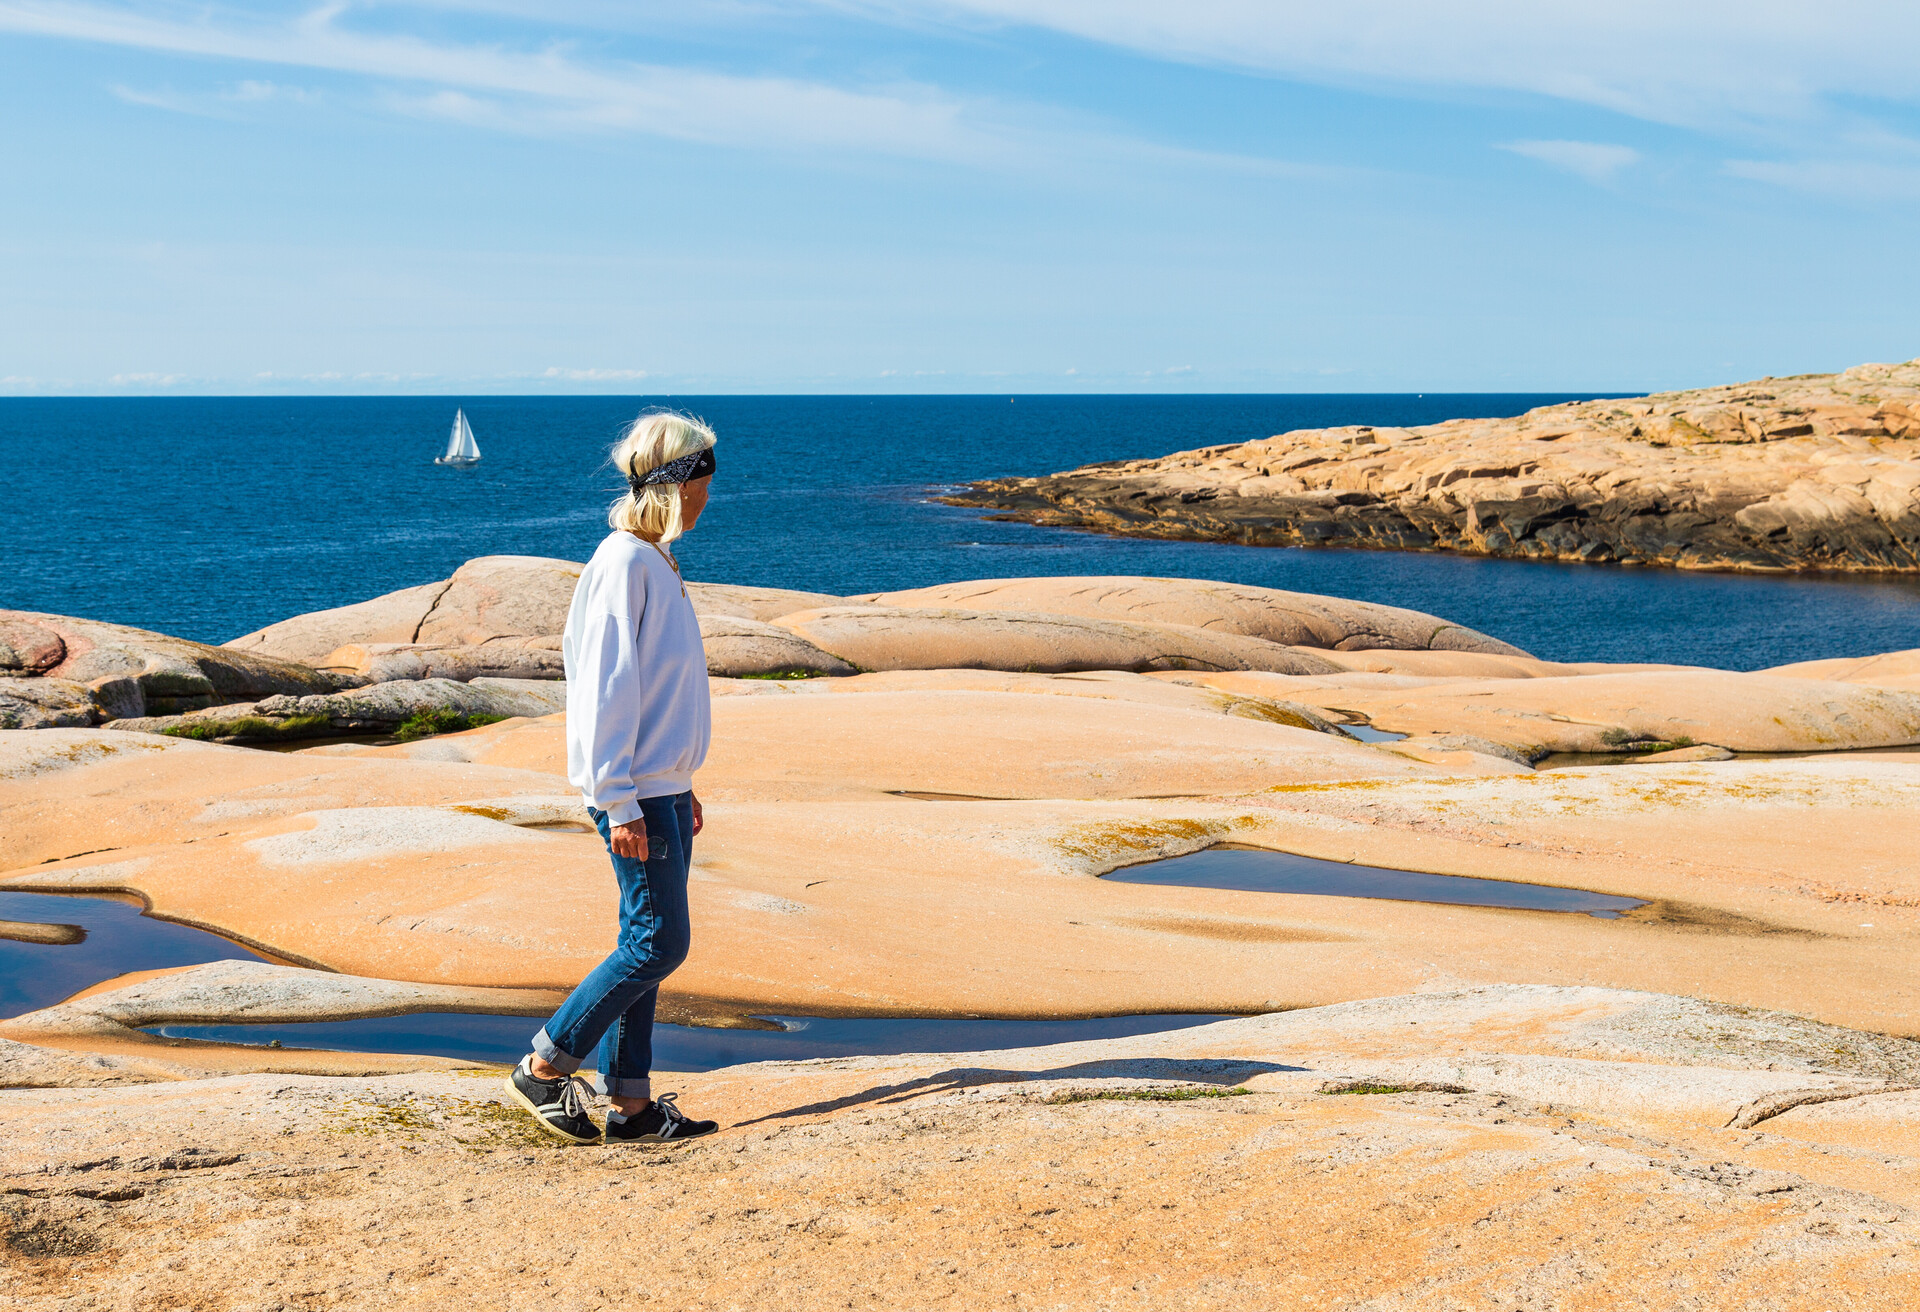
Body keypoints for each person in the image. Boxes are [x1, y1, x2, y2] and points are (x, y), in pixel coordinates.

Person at [503, 411, 721, 1145]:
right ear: (683, 481)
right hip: (634, 794)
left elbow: (657, 691)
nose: (710, 491)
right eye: (706, 475)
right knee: (658, 945)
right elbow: (603, 689)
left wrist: (679, 779)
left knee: (645, 940)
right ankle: (543, 1065)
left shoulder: (655, 560)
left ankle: (630, 1105)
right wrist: (618, 798)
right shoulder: (625, 562)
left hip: (659, 786)